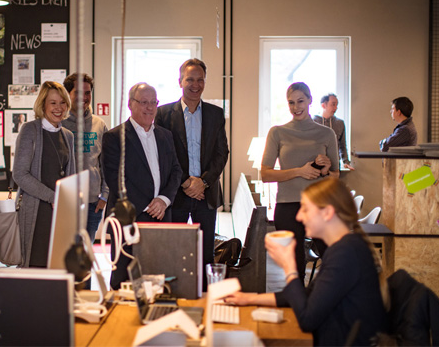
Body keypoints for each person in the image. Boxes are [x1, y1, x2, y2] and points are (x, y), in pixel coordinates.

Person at [225, 178, 389, 346]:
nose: (298, 216)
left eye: (305, 209)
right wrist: (249, 299)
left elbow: (307, 319)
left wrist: (289, 267)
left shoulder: (346, 253)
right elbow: (308, 295)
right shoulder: (343, 248)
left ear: (327, 212)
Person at [155, 58, 229, 287]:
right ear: (180, 81)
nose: (195, 84)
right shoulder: (163, 114)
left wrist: (203, 183)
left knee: (206, 251)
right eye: (190, 79)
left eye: (200, 80)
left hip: (206, 194)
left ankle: (205, 295)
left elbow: (222, 153)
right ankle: (175, 291)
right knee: (173, 248)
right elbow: (164, 154)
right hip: (177, 193)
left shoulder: (216, 114)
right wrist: (186, 182)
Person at [102, 82, 182, 290]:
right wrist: (149, 205)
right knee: (124, 279)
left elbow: (176, 171)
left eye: (153, 103)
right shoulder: (114, 137)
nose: (149, 107)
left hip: (162, 217)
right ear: (130, 104)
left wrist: (163, 200)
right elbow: (116, 180)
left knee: (158, 276)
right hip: (129, 219)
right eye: (143, 102)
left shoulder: (165, 136)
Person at [261, 82, 339, 282]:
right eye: (291, 103)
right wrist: (299, 171)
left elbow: (335, 176)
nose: (296, 107)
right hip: (287, 206)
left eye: (301, 101)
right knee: (293, 267)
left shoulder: (327, 134)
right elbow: (266, 174)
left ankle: (325, 305)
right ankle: (295, 307)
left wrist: (323, 169)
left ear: (310, 100)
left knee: (332, 261)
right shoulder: (277, 132)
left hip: (319, 206)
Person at [13, 81, 76, 268]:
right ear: (43, 105)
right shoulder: (30, 130)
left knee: (57, 264)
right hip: (36, 210)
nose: (59, 108)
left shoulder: (68, 135)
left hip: (60, 212)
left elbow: (70, 177)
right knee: (35, 264)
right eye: (53, 103)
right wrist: (52, 197)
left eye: (62, 102)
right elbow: (20, 174)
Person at [62, 73, 109, 247]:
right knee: (64, 253)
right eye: (78, 92)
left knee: (85, 253)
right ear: (68, 94)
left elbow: (106, 164)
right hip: (65, 202)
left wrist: (104, 196)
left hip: (93, 203)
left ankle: (86, 277)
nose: (84, 97)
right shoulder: (60, 123)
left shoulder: (99, 124)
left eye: (88, 93)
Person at [313, 93, 354, 170]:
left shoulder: (340, 123)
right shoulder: (313, 121)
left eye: (337, 105)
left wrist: (346, 162)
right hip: (316, 165)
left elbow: (342, 145)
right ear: (323, 105)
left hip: (334, 166)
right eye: (333, 104)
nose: (336, 108)